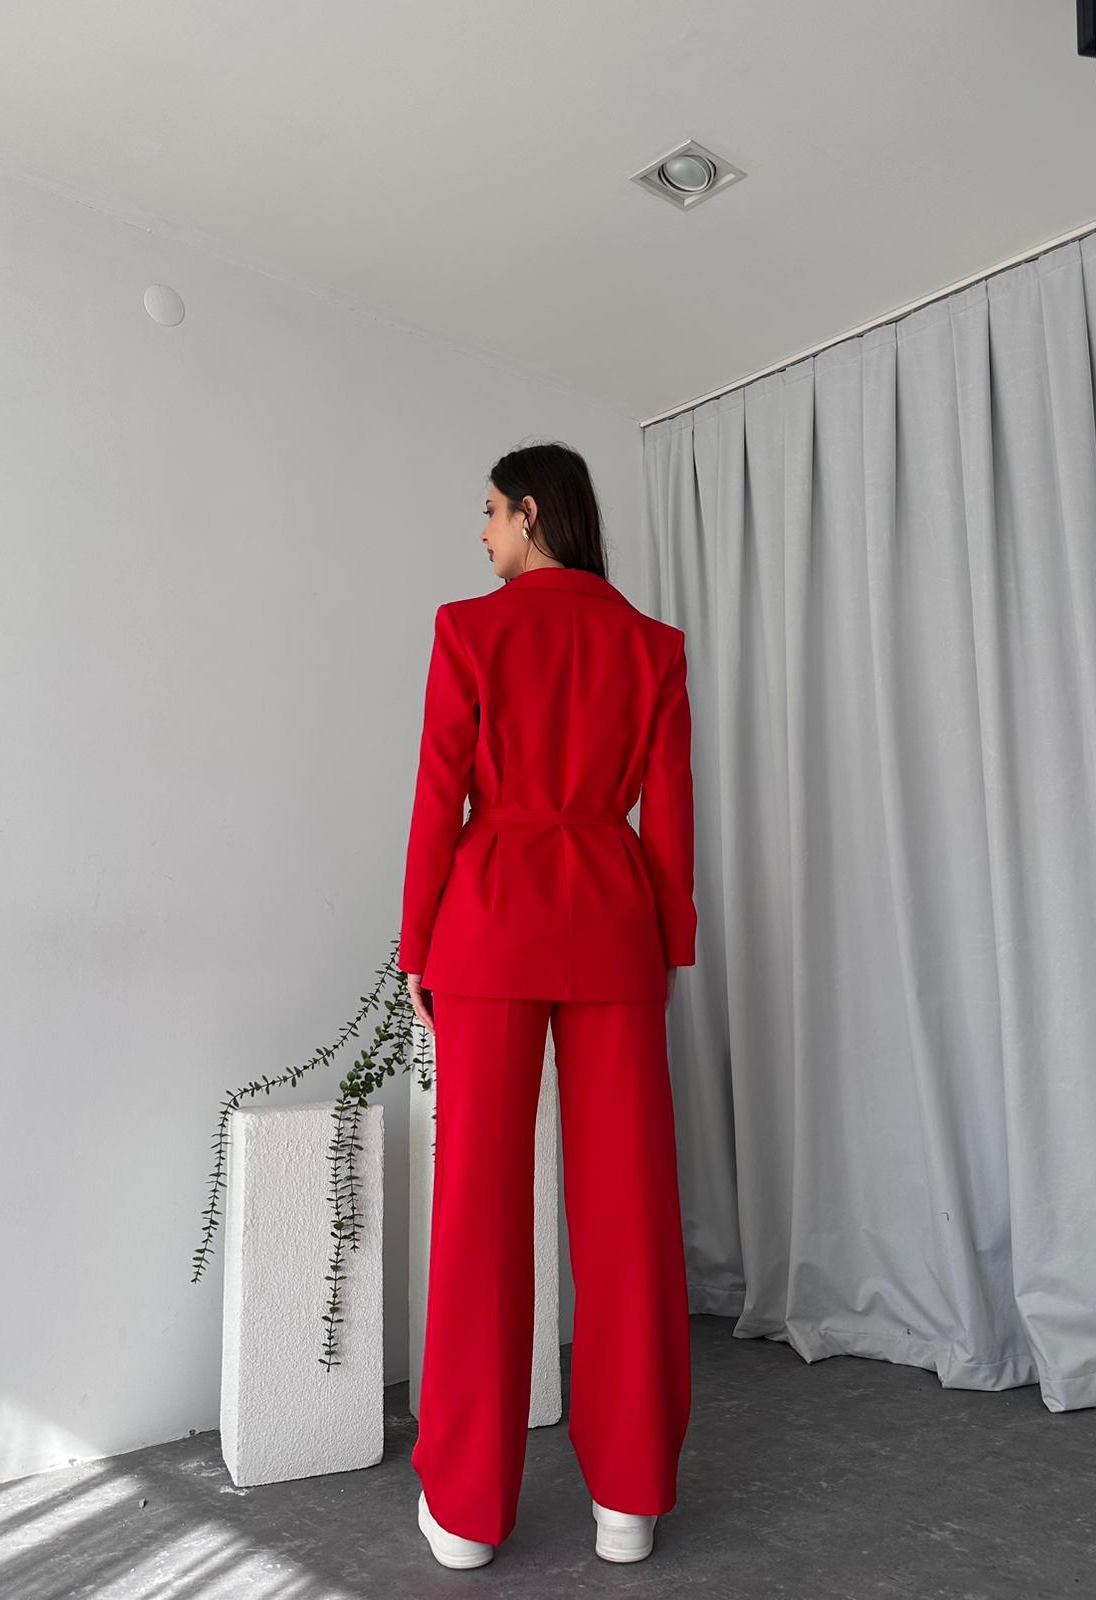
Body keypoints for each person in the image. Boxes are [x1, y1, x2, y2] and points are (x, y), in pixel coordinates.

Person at [398, 441, 697, 1569]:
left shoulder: (470, 630)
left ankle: (468, 1510)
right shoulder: (652, 646)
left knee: (478, 1210)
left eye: (489, 512)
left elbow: (439, 793)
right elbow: (669, 812)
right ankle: (630, 1500)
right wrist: (669, 940)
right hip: (614, 929)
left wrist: (417, 943)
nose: (481, 534)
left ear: (532, 513)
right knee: (629, 1213)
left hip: (488, 927)